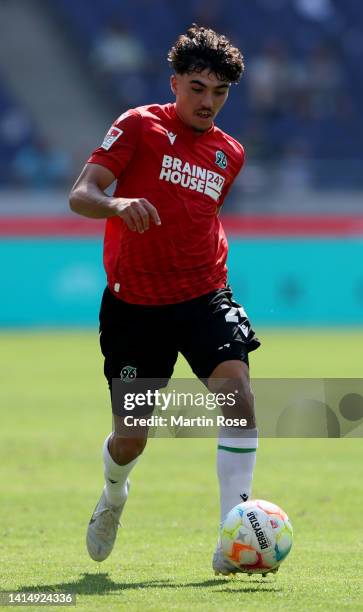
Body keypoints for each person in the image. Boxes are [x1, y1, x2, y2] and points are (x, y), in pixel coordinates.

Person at [69, 24, 261, 576]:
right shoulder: (138, 126)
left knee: (238, 395)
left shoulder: (230, 153)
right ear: (174, 82)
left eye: (220, 93)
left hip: (204, 294)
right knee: (131, 439)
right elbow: (82, 194)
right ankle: (113, 494)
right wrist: (118, 202)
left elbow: (200, 217)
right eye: (197, 88)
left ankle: (234, 538)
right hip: (136, 309)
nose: (208, 102)